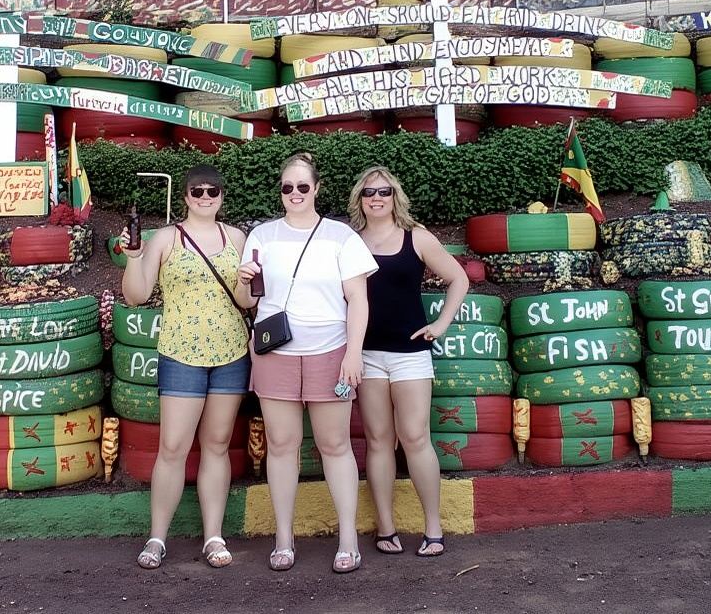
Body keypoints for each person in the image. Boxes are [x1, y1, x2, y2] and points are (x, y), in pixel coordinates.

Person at [235, 152, 377, 574]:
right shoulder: (261, 235)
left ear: (316, 189)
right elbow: (250, 302)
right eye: (286, 187)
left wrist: (354, 353)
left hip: (330, 351)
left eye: (302, 186)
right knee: (281, 446)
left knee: (334, 445)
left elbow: (358, 300)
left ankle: (348, 538)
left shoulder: (341, 237)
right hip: (276, 352)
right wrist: (243, 284)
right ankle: (283, 536)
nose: (294, 194)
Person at [120, 164, 249, 570]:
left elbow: (247, 301)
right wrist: (134, 257)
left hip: (230, 353)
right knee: (173, 447)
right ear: (186, 196)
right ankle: (157, 537)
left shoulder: (237, 238)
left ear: (223, 196)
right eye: (198, 191)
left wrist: (249, 280)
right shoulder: (165, 238)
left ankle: (213, 535)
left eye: (213, 191)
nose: (205, 197)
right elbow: (138, 295)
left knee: (217, 444)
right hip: (180, 353)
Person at [348, 165, 468, 558]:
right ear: (359, 200)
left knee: (415, 438)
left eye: (383, 191)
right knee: (379, 442)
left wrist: (442, 323)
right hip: (366, 355)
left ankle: (433, 527)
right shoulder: (348, 242)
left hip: (410, 355)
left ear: (394, 195)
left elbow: (459, 279)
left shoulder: (416, 237)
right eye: (369, 193)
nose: (376, 198)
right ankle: (386, 526)